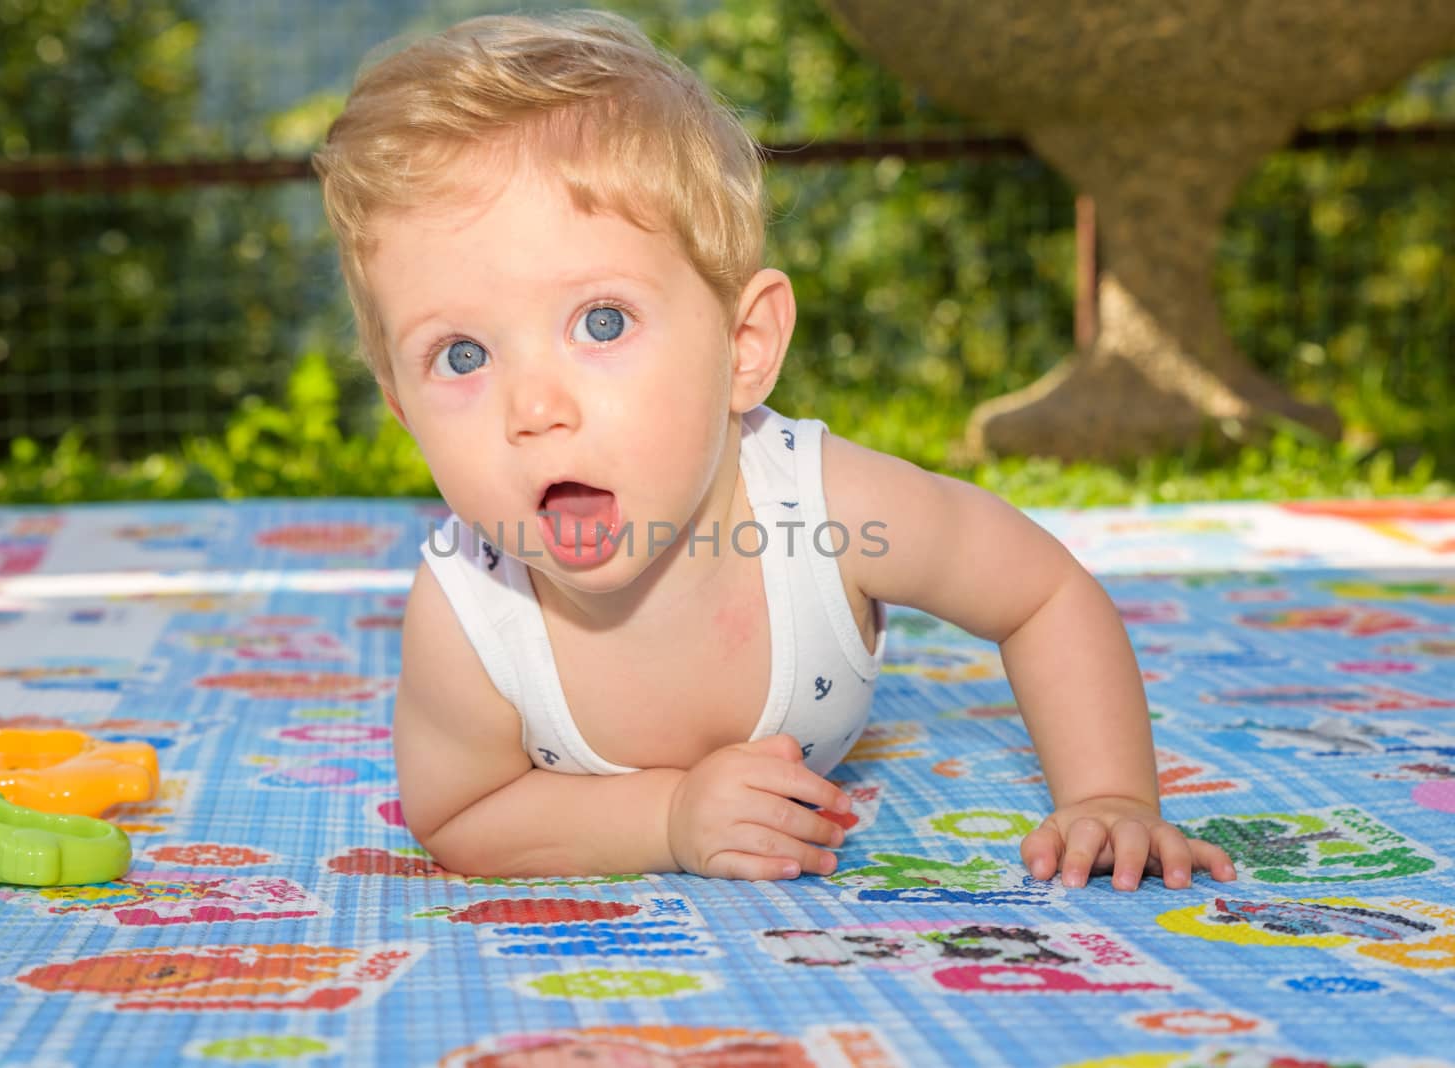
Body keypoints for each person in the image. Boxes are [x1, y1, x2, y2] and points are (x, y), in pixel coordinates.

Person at [312, 9, 1237, 890]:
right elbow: (462, 813)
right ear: (403, 410)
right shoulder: (470, 612)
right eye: (461, 355)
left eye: (601, 322)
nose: (536, 406)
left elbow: (1042, 594)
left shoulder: (831, 514)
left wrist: (1109, 795)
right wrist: (671, 819)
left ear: (743, 348)